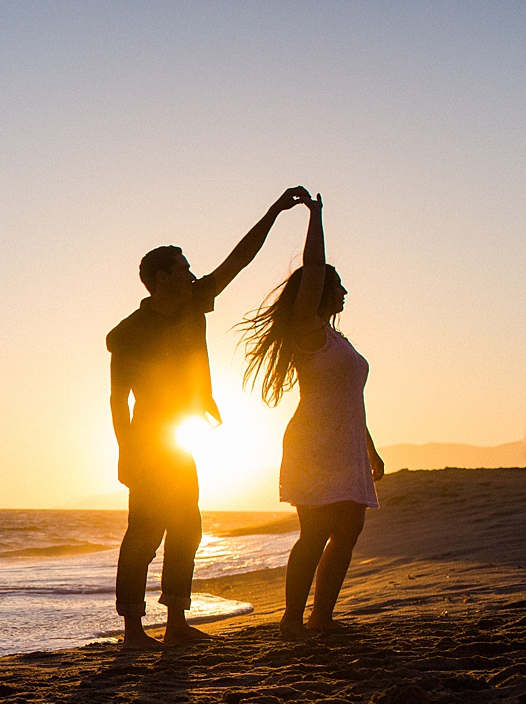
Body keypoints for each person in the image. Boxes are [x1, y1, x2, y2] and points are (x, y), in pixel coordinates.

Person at [108, 187, 309, 648]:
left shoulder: (193, 300)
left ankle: (176, 623)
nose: (194, 274)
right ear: (162, 278)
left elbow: (239, 261)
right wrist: (125, 453)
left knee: (187, 526)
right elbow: (119, 400)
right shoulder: (127, 334)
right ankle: (134, 629)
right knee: (144, 532)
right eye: (184, 268)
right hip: (147, 441)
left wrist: (275, 211)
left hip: (181, 437)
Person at [238, 192, 384, 640]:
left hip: (346, 445)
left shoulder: (338, 341)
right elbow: (315, 268)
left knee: (350, 529)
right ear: (319, 291)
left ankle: (322, 618)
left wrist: (370, 449)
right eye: (337, 286)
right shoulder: (308, 331)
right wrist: (316, 216)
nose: (343, 292)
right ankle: (291, 620)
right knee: (316, 531)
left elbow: (351, 398)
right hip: (314, 444)